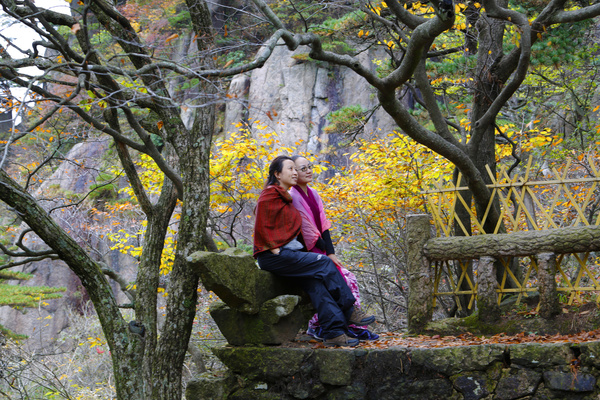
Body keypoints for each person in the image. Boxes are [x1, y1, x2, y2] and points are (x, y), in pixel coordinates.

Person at [254, 155, 376, 347]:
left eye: (296, 169)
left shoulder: (285, 196)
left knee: (316, 284)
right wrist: (273, 247)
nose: (295, 173)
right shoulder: (270, 194)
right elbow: (261, 221)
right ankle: (349, 309)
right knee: (324, 262)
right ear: (277, 174)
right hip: (274, 257)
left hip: (288, 255)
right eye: (290, 169)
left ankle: (333, 332)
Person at [290, 156, 379, 341]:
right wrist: (325, 254)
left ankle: (351, 326)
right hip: (307, 251)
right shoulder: (293, 196)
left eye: (309, 167)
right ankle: (325, 327)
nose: (308, 171)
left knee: (348, 277)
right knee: (340, 278)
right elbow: (307, 231)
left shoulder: (313, 193)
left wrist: (330, 252)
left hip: (321, 249)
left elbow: (323, 225)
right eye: (303, 168)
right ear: (293, 172)